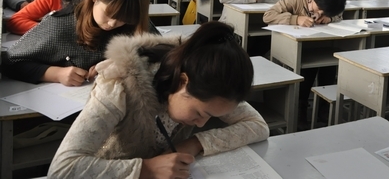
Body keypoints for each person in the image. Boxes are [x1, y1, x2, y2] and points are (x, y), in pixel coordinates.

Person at [48, 22, 269, 178]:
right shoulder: (119, 86)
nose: (202, 123)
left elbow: (258, 126)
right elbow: (62, 169)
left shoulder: (211, 85)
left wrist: (193, 143)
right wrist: (146, 169)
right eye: (200, 113)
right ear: (182, 82)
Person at [2, 0, 150, 86]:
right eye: (108, 14)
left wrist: (119, 62)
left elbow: (157, 53)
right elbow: (9, 61)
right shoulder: (61, 25)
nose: (112, 23)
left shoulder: (134, 22)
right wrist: (56, 74)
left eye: (123, 19)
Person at [263, 0, 346, 129]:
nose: (318, 15)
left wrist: (330, 18)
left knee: (330, 62)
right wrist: (295, 19)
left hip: (322, 42)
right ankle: (301, 107)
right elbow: (268, 15)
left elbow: (339, 15)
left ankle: (324, 106)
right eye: (318, 10)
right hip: (300, 46)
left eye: (323, 14)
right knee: (308, 67)